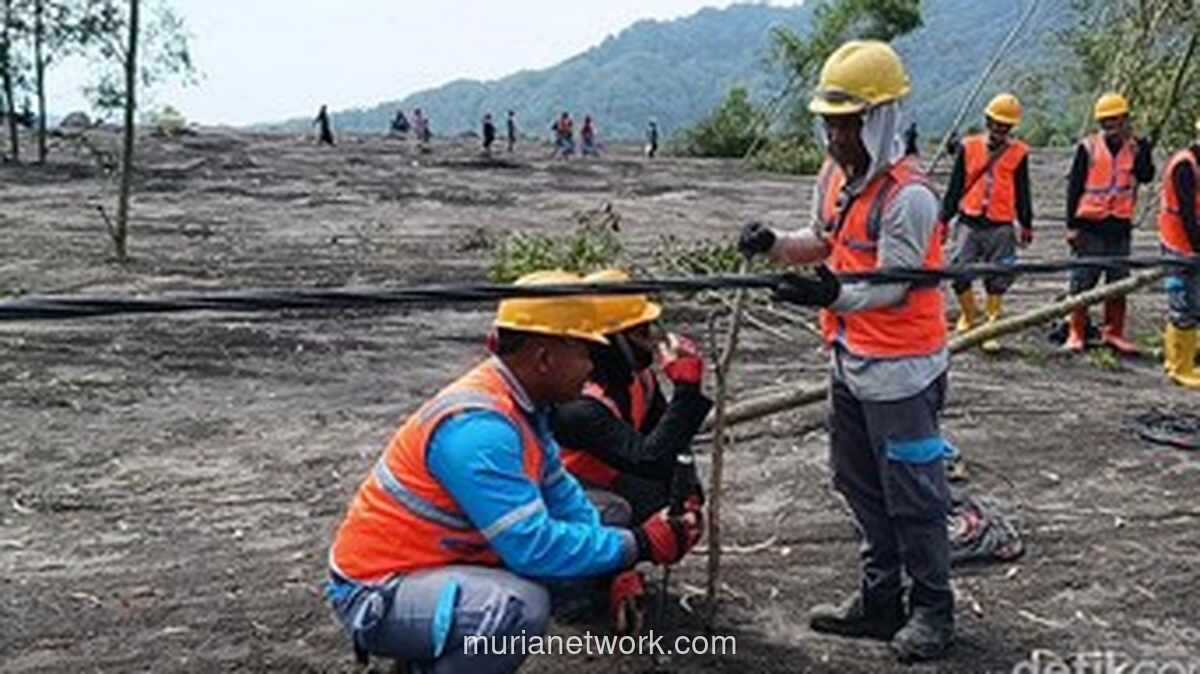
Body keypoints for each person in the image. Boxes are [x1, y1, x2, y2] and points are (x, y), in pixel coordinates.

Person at [324, 270, 703, 674]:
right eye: (583, 352)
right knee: (515, 609)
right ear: (544, 358)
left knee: (598, 528)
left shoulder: (526, 410)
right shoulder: (480, 428)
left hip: (433, 567)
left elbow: (570, 503)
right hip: (378, 587)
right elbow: (533, 547)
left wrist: (623, 560)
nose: (590, 366)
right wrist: (641, 544)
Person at [738, 40, 955, 662]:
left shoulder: (909, 196)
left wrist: (831, 292)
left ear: (879, 120)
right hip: (848, 357)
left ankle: (933, 609)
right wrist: (775, 243)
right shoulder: (835, 177)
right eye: (829, 123)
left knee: (913, 491)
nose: (835, 137)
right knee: (857, 483)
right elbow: (822, 240)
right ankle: (880, 598)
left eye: (847, 123)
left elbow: (893, 285)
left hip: (901, 370)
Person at [551, 269, 713, 523]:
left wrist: (688, 487)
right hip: (562, 490)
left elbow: (666, 440)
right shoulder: (578, 405)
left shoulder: (640, 378)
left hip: (609, 475)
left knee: (662, 500)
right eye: (640, 333)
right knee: (617, 511)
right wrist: (686, 391)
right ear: (609, 340)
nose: (650, 342)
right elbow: (648, 459)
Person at [1063, 92, 1156, 353]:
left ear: (1126, 119)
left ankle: (1113, 332)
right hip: (1090, 224)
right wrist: (1071, 225)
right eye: (1105, 122)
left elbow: (1146, 176)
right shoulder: (1088, 147)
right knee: (1082, 281)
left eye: (1115, 121)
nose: (1111, 127)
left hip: (1119, 225)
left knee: (1118, 281)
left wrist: (1144, 150)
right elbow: (1074, 188)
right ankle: (1076, 332)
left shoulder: (1135, 147)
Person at [941, 93, 1033, 353]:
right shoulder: (968, 147)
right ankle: (969, 315)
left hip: (1001, 222)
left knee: (999, 276)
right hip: (969, 220)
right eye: (996, 123)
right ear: (987, 121)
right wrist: (943, 220)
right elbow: (955, 185)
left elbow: (1023, 191)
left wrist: (1026, 223)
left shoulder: (1018, 153)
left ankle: (992, 325)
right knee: (959, 271)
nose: (1000, 129)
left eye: (1005, 126)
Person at [1158, 117, 1200, 387]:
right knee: (1182, 303)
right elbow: (1186, 212)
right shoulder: (1185, 165)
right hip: (1179, 242)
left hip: (1192, 242)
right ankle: (1178, 366)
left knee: (1195, 303)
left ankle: (1188, 357)